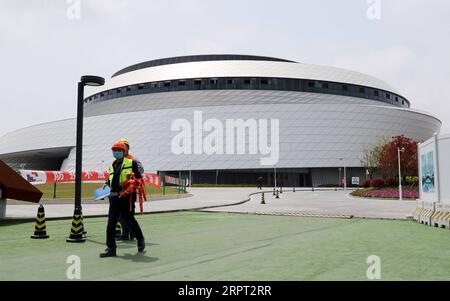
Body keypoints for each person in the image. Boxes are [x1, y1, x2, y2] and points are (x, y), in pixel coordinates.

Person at [100, 141, 145, 258]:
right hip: (114, 197)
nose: (116, 152)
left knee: (130, 220)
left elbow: (140, 179)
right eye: (115, 151)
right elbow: (112, 179)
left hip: (126, 197)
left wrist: (133, 182)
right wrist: (106, 183)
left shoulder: (132, 163)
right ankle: (111, 249)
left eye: (119, 150)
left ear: (124, 151)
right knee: (111, 224)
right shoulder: (112, 165)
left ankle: (140, 239)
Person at [117, 138, 144, 241]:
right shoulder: (117, 161)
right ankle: (126, 234)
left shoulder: (133, 160)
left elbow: (140, 170)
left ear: (127, 148)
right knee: (120, 214)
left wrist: (130, 175)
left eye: (124, 146)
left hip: (130, 192)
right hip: (119, 192)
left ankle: (131, 233)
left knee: (129, 213)